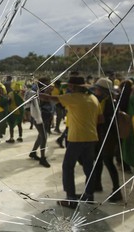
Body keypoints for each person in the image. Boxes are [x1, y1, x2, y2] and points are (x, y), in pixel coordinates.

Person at [40, 76, 99, 207]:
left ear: (75, 87)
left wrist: (35, 94)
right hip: (92, 137)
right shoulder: (93, 98)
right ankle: (89, 195)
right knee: (89, 167)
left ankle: (71, 198)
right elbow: (100, 119)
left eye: (70, 86)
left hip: (77, 138)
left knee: (68, 167)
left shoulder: (73, 97)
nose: (68, 88)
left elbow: (50, 99)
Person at [91, 78, 123, 202]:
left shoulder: (109, 103)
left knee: (108, 162)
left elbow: (106, 121)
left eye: (97, 89)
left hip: (107, 137)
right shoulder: (105, 100)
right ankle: (97, 184)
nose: (95, 91)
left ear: (103, 90)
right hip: (102, 136)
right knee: (98, 160)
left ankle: (117, 191)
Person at [28, 77, 52, 168]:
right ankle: (42, 158)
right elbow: (39, 102)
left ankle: (33, 153)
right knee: (44, 137)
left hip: (45, 116)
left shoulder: (45, 91)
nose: (49, 84)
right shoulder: (37, 92)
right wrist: (47, 94)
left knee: (41, 136)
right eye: (48, 83)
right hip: (38, 117)